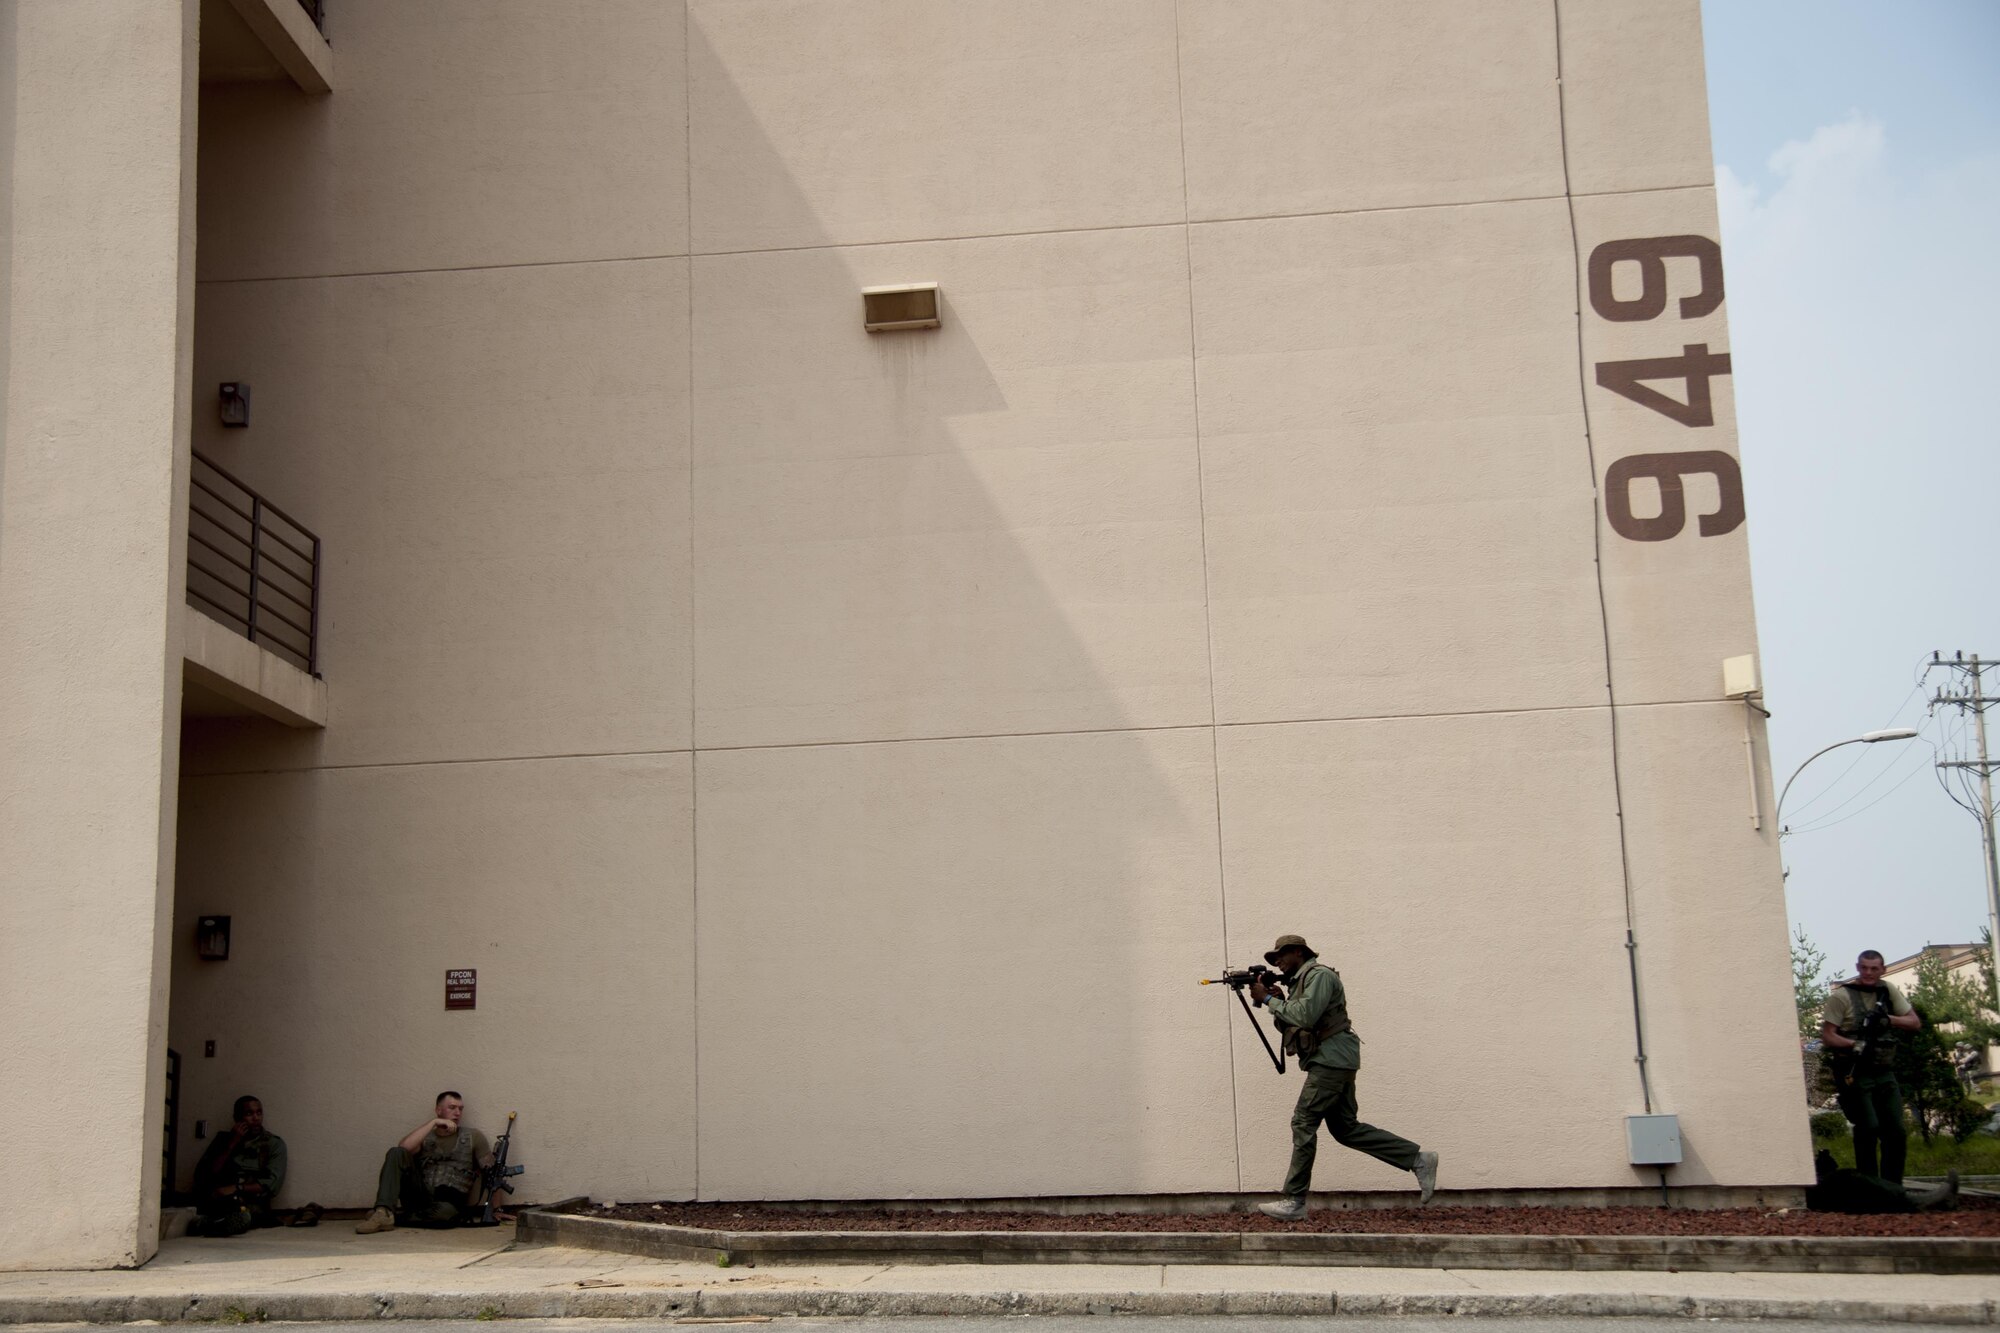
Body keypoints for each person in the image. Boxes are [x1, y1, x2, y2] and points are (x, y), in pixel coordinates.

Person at [1248, 934, 1438, 1219]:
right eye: (1274, 959)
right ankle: (1417, 1159)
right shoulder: (1302, 982)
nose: (1278, 963)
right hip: (1334, 1060)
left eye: (1280, 956)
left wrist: (1267, 999)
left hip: (1330, 1061)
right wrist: (1277, 1001)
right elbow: (1295, 1023)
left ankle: (1294, 1201)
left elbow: (1304, 1016)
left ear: (1298, 952)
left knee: (1303, 1122)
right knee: (1346, 1128)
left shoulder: (1319, 975)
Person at [1819, 949, 1922, 1184]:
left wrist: (1888, 1019)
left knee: (1895, 1130)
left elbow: (1914, 1022)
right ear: (1857, 968)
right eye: (1864, 968)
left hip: (1883, 1070)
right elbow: (1828, 1036)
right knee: (1868, 1127)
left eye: (1874, 968)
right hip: (1855, 1071)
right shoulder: (1842, 996)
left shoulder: (1887, 991)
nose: (1868, 973)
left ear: (1882, 970)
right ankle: (1870, 1185)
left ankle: (1893, 1187)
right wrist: (1854, 1045)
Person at [354, 1091, 493, 1233]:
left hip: (448, 1204)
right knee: (396, 1152)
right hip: (421, 1197)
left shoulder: (473, 1136)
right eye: (452, 1108)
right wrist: (433, 1122)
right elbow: (404, 1148)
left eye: (460, 1109)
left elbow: (492, 1173)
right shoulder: (425, 1137)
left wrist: (497, 1209)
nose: (457, 1113)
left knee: (445, 1214)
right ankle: (383, 1211)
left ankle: (393, 1218)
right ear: (438, 1110)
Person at [189, 1095, 287, 1237]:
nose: (256, 1118)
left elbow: (271, 1185)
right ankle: (209, 1223)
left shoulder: (273, 1144)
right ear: (237, 1118)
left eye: (259, 1113)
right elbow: (204, 1175)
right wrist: (232, 1143)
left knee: (245, 1216)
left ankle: (212, 1225)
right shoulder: (223, 1140)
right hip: (219, 1199)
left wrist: (237, 1188)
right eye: (249, 1114)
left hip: (250, 1203)